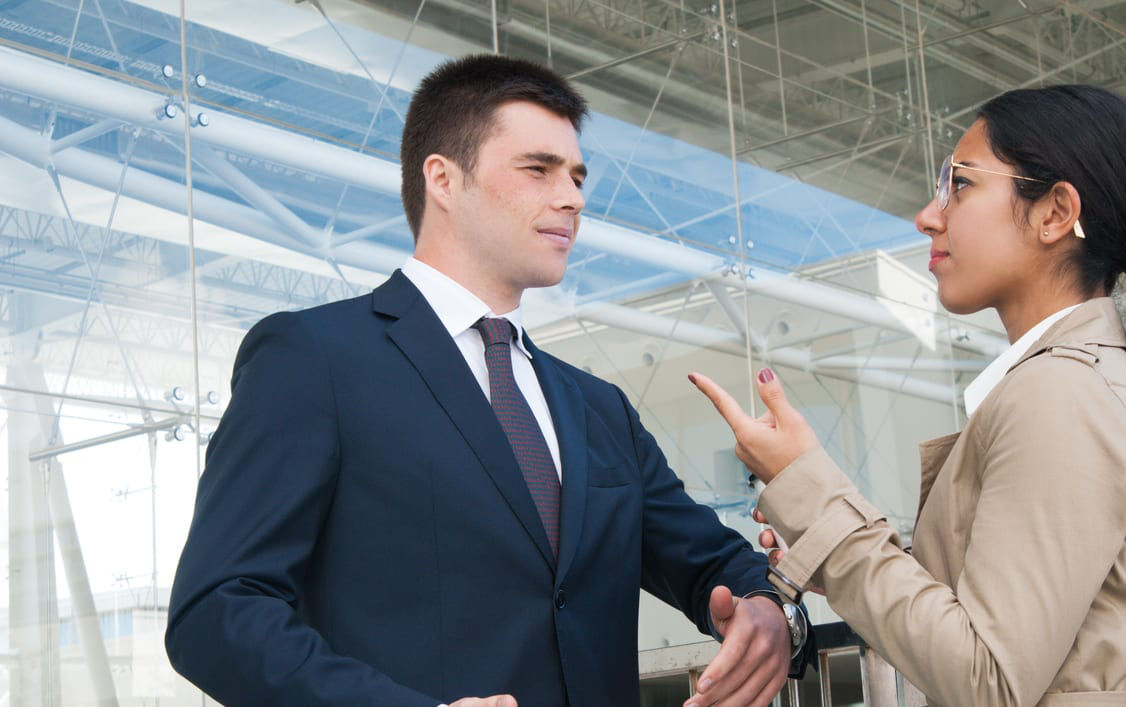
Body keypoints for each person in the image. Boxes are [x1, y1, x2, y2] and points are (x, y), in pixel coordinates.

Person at [165, 54, 811, 706]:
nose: (572, 198)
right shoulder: (313, 358)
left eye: (577, 176)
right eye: (538, 169)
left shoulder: (598, 409)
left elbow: (710, 561)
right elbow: (218, 608)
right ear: (443, 179)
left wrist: (767, 608)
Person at [687, 85, 1126, 707]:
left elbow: (989, 680)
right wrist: (831, 542)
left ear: (1055, 213)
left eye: (960, 184)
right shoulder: (1076, 383)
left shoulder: (1062, 394)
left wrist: (812, 493)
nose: (930, 215)